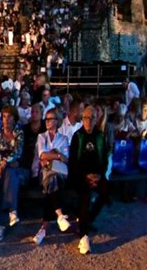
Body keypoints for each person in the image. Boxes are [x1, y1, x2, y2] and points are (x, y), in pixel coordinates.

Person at [67, 104, 112, 254]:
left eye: (91, 118)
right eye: (86, 118)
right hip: (80, 176)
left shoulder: (100, 136)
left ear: (96, 119)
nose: (88, 121)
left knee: (106, 191)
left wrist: (99, 175)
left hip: (96, 175)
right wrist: (86, 176)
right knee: (85, 195)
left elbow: (104, 159)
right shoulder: (77, 136)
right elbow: (72, 162)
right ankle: (84, 236)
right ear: (82, 119)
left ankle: (88, 219)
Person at [32, 108, 71, 246]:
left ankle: (44, 228)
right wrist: (58, 155)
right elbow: (42, 155)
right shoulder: (41, 137)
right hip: (43, 173)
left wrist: (54, 156)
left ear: (57, 121)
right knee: (52, 180)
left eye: (50, 119)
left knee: (53, 181)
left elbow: (66, 159)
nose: (47, 121)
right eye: (46, 119)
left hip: (60, 173)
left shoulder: (63, 138)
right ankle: (59, 215)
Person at [0, 106, 26, 241]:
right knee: (3, 177)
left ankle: (1, 226)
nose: (6, 119)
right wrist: (3, 163)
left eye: (9, 116)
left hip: (15, 169)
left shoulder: (19, 133)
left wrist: (4, 163)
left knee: (9, 174)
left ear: (14, 118)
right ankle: (12, 210)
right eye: (4, 116)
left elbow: (17, 152)